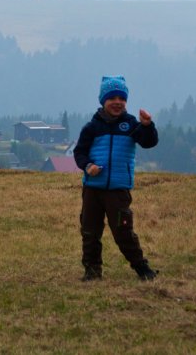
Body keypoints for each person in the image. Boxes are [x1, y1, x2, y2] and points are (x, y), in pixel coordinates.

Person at [73, 76, 158, 281]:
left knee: (123, 231)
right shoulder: (91, 128)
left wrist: (147, 125)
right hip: (92, 189)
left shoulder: (131, 126)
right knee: (90, 232)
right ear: (103, 101)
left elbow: (148, 142)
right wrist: (88, 166)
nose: (117, 102)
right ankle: (92, 272)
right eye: (112, 98)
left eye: (122, 98)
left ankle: (142, 269)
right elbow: (79, 153)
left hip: (118, 190)